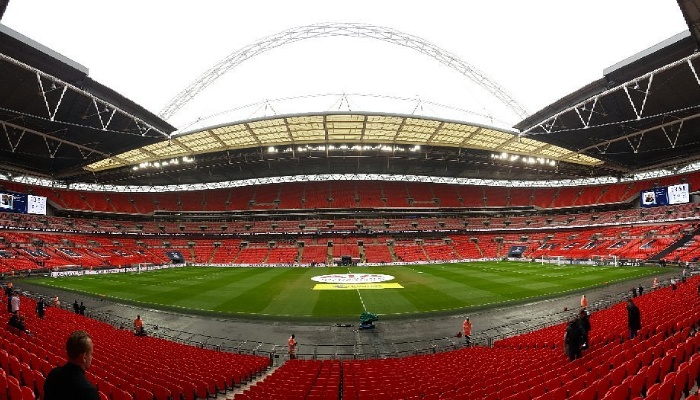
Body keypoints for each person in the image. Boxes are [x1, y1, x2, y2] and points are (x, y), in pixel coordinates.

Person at [44, 330, 99, 400]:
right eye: (91, 354)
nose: (92, 357)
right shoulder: (88, 392)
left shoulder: (53, 374)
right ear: (84, 357)